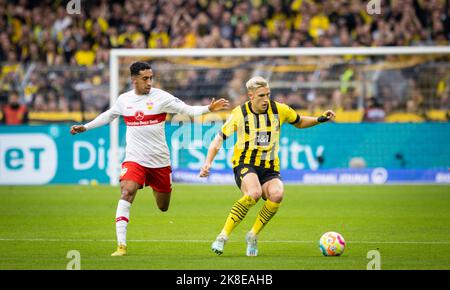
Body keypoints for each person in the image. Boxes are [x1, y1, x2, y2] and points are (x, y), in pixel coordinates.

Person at [70, 62, 229, 256]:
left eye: (151, 78)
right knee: (127, 191)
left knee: (163, 206)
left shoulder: (161, 97)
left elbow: (187, 109)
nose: (149, 82)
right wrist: (85, 127)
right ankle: (121, 245)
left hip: (159, 161)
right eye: (145, 79)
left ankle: (155, 187)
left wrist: (208, 108)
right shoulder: (124, 100)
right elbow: (108, 116)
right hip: (134, 158)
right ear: (134, 79)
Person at [199, 76, 335, 256]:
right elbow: (218, 139)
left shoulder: (279, 109)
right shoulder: (239, 114)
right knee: (253, 193)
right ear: (251, 96)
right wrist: (208, 162)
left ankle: (252, 235)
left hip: (270, 167)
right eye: (261, 95)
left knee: (277, 194)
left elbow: (300, 121)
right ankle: (223, 236)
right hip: (245, 163)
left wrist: (319, 119)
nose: (265, 99)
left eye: (268, 95)